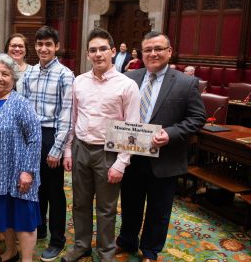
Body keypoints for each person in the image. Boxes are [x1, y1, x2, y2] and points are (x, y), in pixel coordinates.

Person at [116, 32, 206, 262]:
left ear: (169, 51)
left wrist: (171, 133)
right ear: (142, 53)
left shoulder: (186, 83)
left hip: (165, 158)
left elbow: (197, 118)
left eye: (158, 48)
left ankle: (150, 251)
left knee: (159, 210)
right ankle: (127, 242)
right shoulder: (129, 77)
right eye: (148, 49)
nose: (153, 53)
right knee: (130, 203)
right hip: (132, 155)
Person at [61, 28, 140, 262]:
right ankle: (82, 245)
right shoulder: (79, 81)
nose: (98, 54)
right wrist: (68, 149)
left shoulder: (127, 85)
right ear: (87, 54)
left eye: (103, 49)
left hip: (109, 153)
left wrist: (121, 163)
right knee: (80, 203)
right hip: (81, 149)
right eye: (93, 50)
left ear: (113, 52)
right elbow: (73, 119)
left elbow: (132, 128)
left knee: (106, 209)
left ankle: (106, 252)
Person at [0, 54, 42, 262]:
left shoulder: (19, 103)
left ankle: (27, 259)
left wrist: (28, 171)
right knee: (5, 214)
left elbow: (35, 137)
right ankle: (11, 251)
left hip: (17, 171)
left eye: (5, 74)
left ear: (13, 78)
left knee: (23, 217)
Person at [21, 25, 74, 262]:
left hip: (52, 135)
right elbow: (21, 107)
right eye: (40, 44)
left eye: (48, 44)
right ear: (35, 46)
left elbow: (67, 115)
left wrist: (58, 148)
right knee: (36, 186)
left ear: (56, 47)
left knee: (55, 191)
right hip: (30, 135)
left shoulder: (65, 75)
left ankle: (57, 239)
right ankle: (39, 227)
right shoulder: (28, 73)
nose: (44, 48)